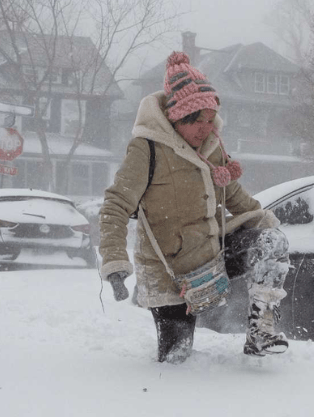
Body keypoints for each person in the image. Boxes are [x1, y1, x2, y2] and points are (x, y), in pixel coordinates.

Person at [98, 51, 291, 363]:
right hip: (170, 272)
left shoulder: (212, 149)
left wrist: (271, 228)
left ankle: (262, 332)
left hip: (212, 257)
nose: (206, 128)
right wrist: (115, 263)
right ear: (177, 118)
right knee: (177, 360)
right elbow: (115, 205)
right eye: (197, 121)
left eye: (209, 119)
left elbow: (238, 200)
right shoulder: (147, 148)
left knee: (271, 240)